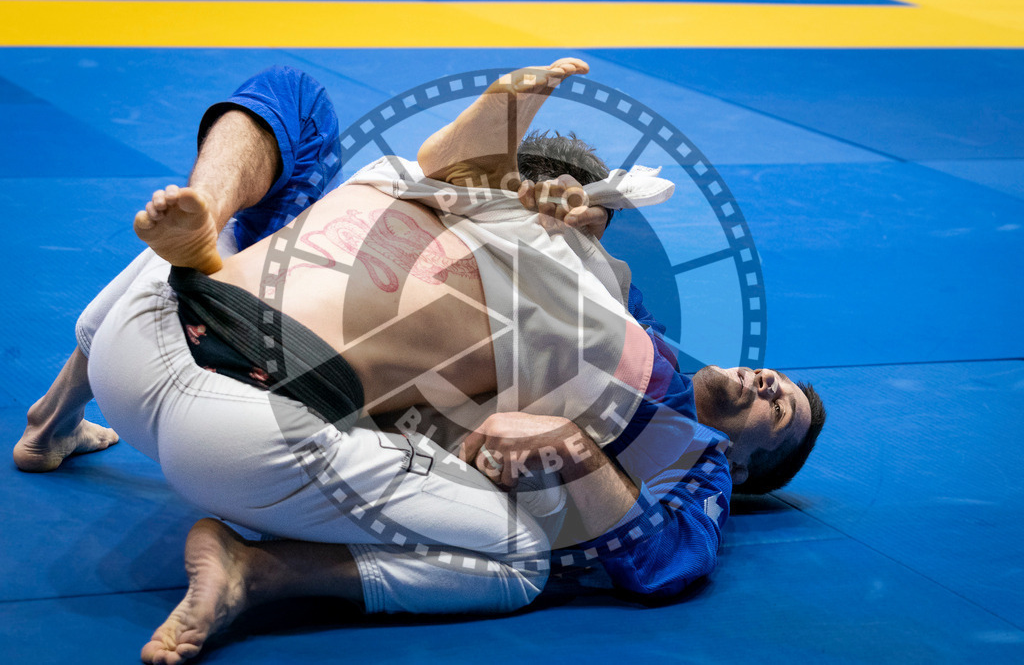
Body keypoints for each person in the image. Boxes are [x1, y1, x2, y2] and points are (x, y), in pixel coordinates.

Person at [15, 59, 826, 664]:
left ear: (748, 467)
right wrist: (572, 229)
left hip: (143, 330)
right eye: (776, 375)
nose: (765, 382)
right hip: (238, 425)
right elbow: (564, 254)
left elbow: (666, 562)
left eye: (777, 407)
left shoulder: (699, 456)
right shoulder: (606, 314)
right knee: (521, 556)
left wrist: (571, 445)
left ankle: (61, 420)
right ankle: (247, 563)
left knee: (286, 177)